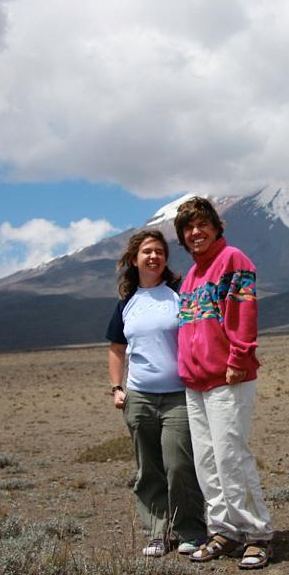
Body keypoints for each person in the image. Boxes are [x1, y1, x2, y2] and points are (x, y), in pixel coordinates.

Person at [174, 197, 274, 570]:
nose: (195, 232)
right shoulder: (190, 276)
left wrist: (238, 359)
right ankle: (223, 530)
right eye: (187, 228)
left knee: (231, 456)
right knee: (207, 462)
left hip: (228, 376)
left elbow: (244, 315)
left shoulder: (234, 260)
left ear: (216, 227)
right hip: (195, 381)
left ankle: (257, 534)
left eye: (202, 224)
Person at [105, 229, 206, 557]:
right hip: (140, 398)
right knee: (148, 469)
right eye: (147, 251)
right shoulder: (126, 304)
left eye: (160, 251)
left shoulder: (179, 293)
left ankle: (190, 530)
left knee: (179, 466)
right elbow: (117, 349)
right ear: (134, 259)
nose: (154, 256)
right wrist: (117, 388)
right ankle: (157, 534)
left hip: (178, 395)